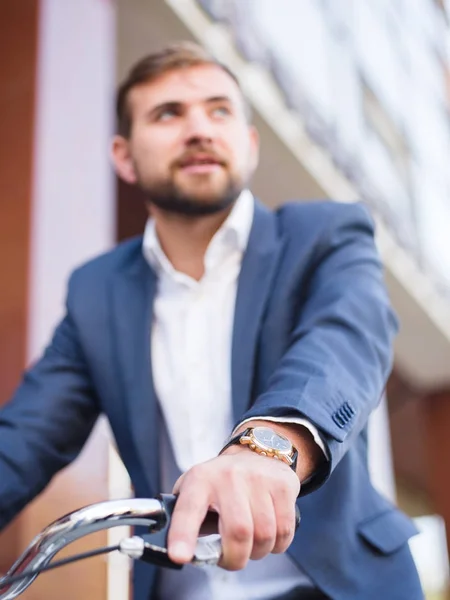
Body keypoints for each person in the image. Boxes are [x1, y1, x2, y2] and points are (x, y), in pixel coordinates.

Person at [0, 41, 423, 600]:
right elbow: (26, 438)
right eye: (168, 113)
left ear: (248, 144)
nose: (199, 128)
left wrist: (267, 448)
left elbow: (347, 338)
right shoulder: (96, 290)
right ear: (124, 156)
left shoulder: (325, 234)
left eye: (219, 109)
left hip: (342, 585)